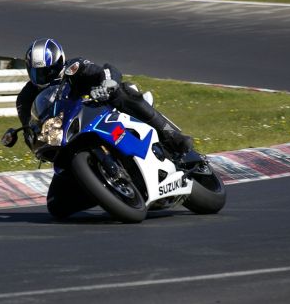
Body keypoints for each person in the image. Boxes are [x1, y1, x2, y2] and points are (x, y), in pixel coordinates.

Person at [16, 38, 193, 218]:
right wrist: (32, 138)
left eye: (48, 70)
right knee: (56, 205)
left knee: (124, 91)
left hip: (100, 109)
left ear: (59, 61)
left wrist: (107, 83)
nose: (44, 77)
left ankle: (172, 135)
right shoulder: (25, 97)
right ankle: (103, 190)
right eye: (38, 73)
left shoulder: (74, 67)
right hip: (66, 133)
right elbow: (29, 126)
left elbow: (107, 71)